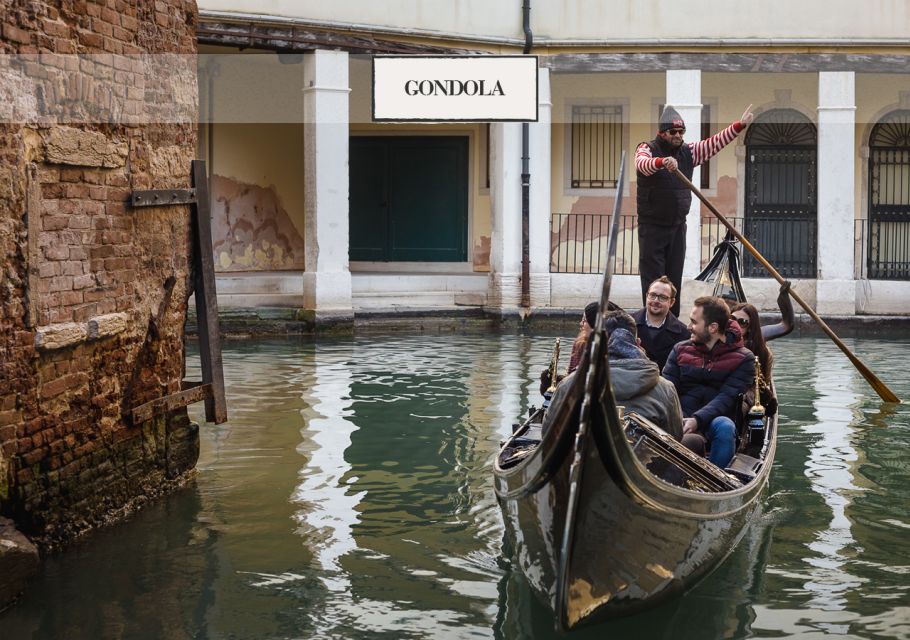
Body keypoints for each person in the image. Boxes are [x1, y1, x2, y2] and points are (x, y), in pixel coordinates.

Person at [636, 104, 755, 317]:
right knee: (653, 282)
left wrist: (739, 126)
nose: (678, 136)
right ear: (662, 133)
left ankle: (671, 324)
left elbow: (713, 144)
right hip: (652, 228)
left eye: (681, 132)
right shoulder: (647, 148)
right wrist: (662, 162)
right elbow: (642, 164)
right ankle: (649, 323)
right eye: (673, 132)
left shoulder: (688, 152)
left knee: (673, 281)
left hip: (677, 227)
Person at [662, 296, 754, 468]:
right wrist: (679, 417)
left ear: (712, 328)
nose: (688, 327)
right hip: (679, 415)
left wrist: (697, 420)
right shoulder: (680, 349)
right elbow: (668, 389)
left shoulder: (745, 359)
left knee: (725, 427)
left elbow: (727, 397)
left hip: (715, 419)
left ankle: (718, 482)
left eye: (694, 322)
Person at [603, 309, 683, 440]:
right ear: (638, 343)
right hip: (643, 459)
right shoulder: (666, 389)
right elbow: (675, 437)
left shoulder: (571, 385)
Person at [632, 276, 688, 371]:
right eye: (652, 295)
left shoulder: (684, 333)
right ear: (646, 296)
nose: (656, 300)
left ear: (672, 302)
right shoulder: (626, 323)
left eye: (662, 297)